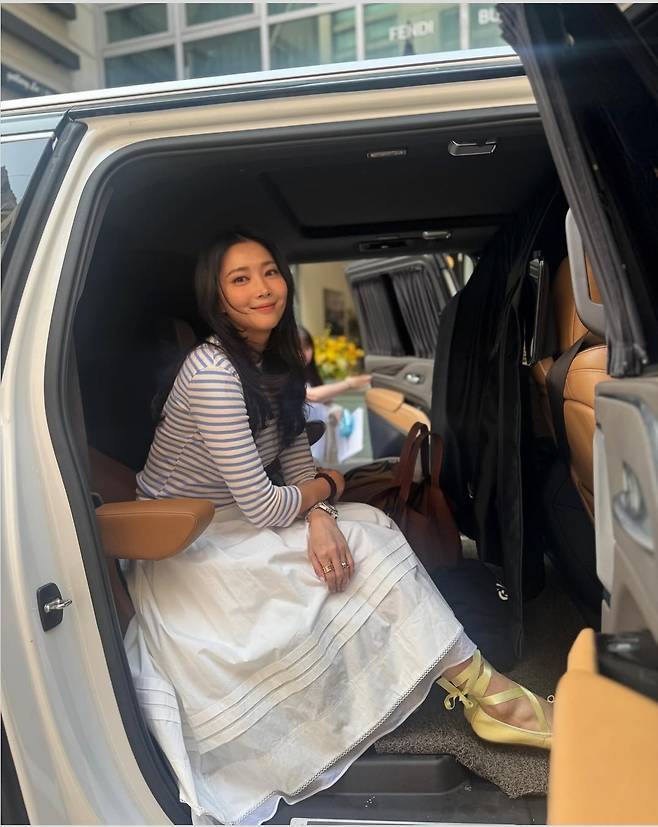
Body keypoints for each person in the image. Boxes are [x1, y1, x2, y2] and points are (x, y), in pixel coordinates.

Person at [125, 230, 553, 826]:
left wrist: (322, 512)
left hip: (236, 521)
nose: (262, 288)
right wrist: (327, 491)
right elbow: (266, 505)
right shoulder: (212, 373)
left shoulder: (274, 363)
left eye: (269, 272)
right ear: (217, 300)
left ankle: (484, 692)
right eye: (240, 279)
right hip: (185, 543)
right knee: (363, 539)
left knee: (365, 526)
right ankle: (495, 701)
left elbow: (296, 466)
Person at [298, 325, 372, 404]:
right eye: (299, 350)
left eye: (307, 348)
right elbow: (312, 395)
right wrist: (349, 384)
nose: (304, 354)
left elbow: (323, 400)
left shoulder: (310, 372)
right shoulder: (289, 376)